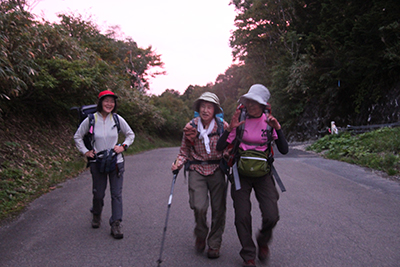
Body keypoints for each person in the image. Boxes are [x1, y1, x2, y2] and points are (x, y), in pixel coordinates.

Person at [216, 84, 289, 267]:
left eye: (255, 102)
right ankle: (248, 254)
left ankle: (263, 240)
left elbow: (284, 150)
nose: (251, 105)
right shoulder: (239, 121)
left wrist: (278, 129)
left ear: (263, 105)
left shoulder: (269, 122)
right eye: (249, 101)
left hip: (264, 174)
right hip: (241, 174)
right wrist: (229, 129)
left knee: (272, 215)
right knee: (242, 216)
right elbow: (219, 147)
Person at [171, 92, 228, 259]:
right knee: (199, 206)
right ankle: (201, 233)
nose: (205, 110)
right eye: (203, 106)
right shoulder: (190, 127)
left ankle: (214, 244)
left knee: (219, 209)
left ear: (215, 109)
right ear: (198, 109)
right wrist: (177, 164)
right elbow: (184, 151)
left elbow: (228, 149)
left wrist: (229, 156)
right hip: (197, 169)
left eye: (209, 107)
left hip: (217, 169)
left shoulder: (223, 127)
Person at [74, 90, 135, 239]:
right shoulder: (91, 119)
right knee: (98, 194)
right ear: (100, 102)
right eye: (106, 101)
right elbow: (78, 136)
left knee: (116, 194)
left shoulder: (117, 119)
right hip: (98, 162)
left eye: (112, 101)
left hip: (116, 161)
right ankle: (96, 213)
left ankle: (116, 223)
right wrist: (86, 152)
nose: (109, 104)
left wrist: (123, 146)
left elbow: (130, 134)